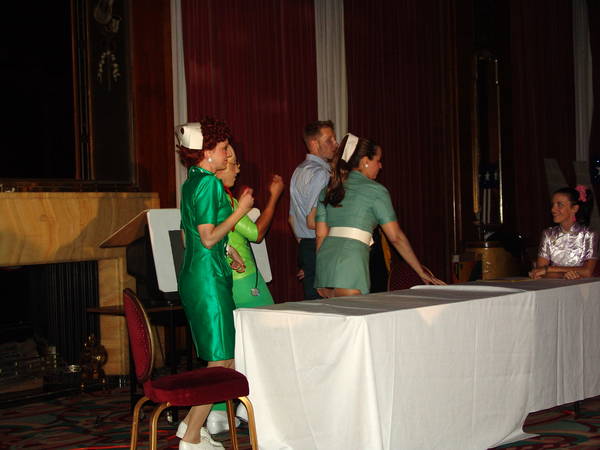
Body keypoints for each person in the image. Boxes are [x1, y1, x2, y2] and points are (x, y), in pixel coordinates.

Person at [175, 118, 254, 450]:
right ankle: (192, 438)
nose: (227, 154)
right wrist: (242, 211)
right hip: (208, 279)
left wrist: (228, 250)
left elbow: (190, 236)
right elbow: (208, 237)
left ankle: (189, 425)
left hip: (200, 273)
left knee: (225, 358)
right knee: (220, 360)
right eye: (223, 148)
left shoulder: (191, 182)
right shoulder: (208, 183)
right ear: (207, 152)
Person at [206, 146, 284, 434]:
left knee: (232, 348)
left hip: (228, 280)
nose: (238, 169)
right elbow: (257, 233)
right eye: (234, 163)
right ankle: (248, 405)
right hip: (246, 281)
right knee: (265, 342)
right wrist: (274, 196)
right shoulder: (226, 201)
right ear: (219, 167)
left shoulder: (209, 197)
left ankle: (221, 411)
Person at [314, 133, 445, 297]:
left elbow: (320, 235)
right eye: (378, 160)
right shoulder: (376, 191)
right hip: (349, 263)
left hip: (325, 265)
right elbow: (396, 237)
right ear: (365, 161)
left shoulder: (329, 190)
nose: (380, 166)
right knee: (354, 313)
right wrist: (420, 272)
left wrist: (319, 271)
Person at [289, 120, 338, 299]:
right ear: (314, 144)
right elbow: (312, 221)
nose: (335, 144)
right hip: (321, 245)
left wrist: (307, 252)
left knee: (315, 307)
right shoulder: (321, 174)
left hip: (308, 246)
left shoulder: (298, 171)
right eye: (329, 140)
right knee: (330, 308)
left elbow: (292, 219)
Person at [529, 185, 598, 280]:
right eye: (553, 205)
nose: (553, 209)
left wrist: (549, 269)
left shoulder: (589, 234)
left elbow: (587, 271)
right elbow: (539, 272)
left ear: (574, 208)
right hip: (555, 286)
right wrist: (563, 275)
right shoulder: (548, 234)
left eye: (559, 205)